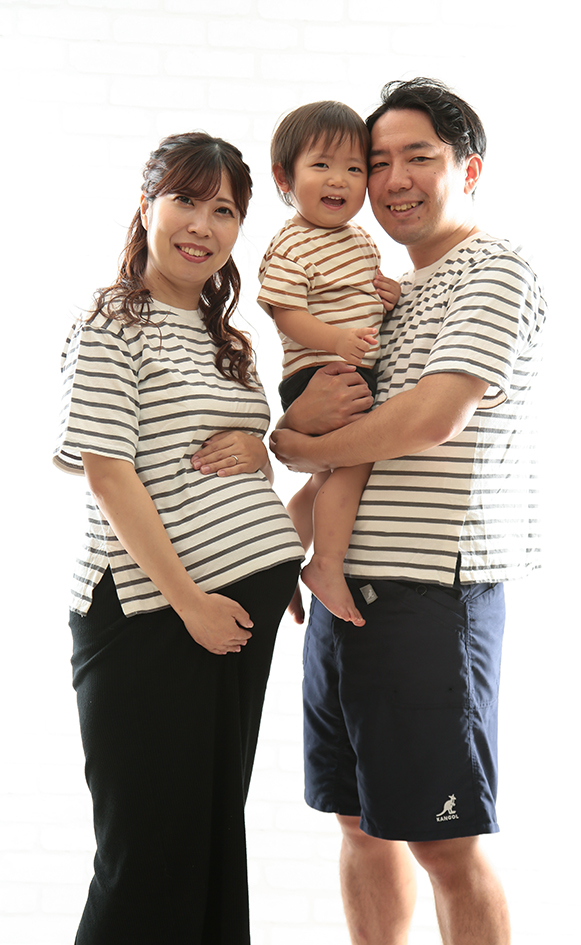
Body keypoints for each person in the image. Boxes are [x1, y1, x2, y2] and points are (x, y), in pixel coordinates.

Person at [271, 78, 546, 945]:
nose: (391, 179)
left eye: (416, 157)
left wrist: (296, 447)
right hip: (342, 592)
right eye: (377, 160)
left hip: (431, 593)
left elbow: (431, 418)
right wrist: (297, 466)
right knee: (358, 820)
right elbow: (348, 432)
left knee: (445, 841)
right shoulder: (394, 293)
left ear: (468, 168)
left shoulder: (494, 269)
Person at [53, 132, 303, 945]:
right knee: (145, 858)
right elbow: (109, 473)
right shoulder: (109, 321)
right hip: (149, 615)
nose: (202, 225)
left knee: (205, 845)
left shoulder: (224, 335)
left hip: (229, 620)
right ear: (146, 205)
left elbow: (215, 459)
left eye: (223, 210)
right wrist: (190, 598)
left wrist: (261, 461)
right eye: (185, 201)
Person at [257, 100, 400, 626]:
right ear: (285, 177)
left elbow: (360, 297)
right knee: (357, 461)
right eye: (321, 165)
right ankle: (326, 564)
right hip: (321, 374)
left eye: (355, 168)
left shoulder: (360, 240)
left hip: (345, 368)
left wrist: (386, 295)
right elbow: (286, 312)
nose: (339, 179)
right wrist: (337, 340)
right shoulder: (292, 243)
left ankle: (276, 564)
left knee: (322, 481)